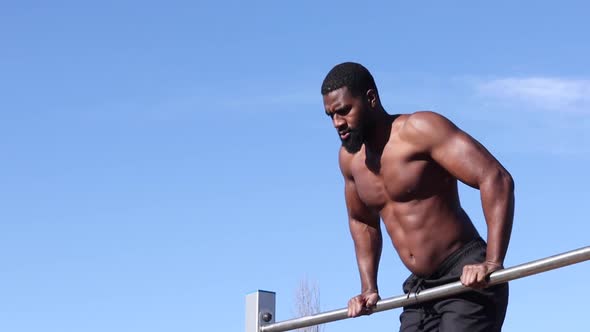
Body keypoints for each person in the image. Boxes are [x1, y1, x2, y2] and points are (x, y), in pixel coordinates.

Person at [321, 62, 514, 332]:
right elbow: (362, 221)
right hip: (421, 289)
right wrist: (369, 287)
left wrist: (492, 262)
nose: (337, 123)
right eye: (330, 115)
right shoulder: (350, 161)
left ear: (371, 99)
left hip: (466, 276)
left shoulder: (420, 130)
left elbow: (495, 178)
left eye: (344, 111)